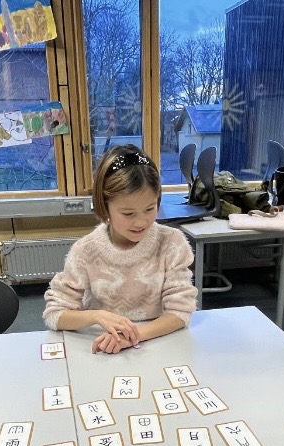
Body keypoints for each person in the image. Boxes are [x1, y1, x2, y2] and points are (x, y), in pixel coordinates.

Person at [43, 144, 198, 354]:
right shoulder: (86, 250)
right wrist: (96, 316)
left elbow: (181, 312)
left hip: (156, 342)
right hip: (102, 344)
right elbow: (55, 314)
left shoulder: (171, 243)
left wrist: (133, 336)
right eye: (128, 213)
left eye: (150, 208)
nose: (141, 222)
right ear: (104, 206)